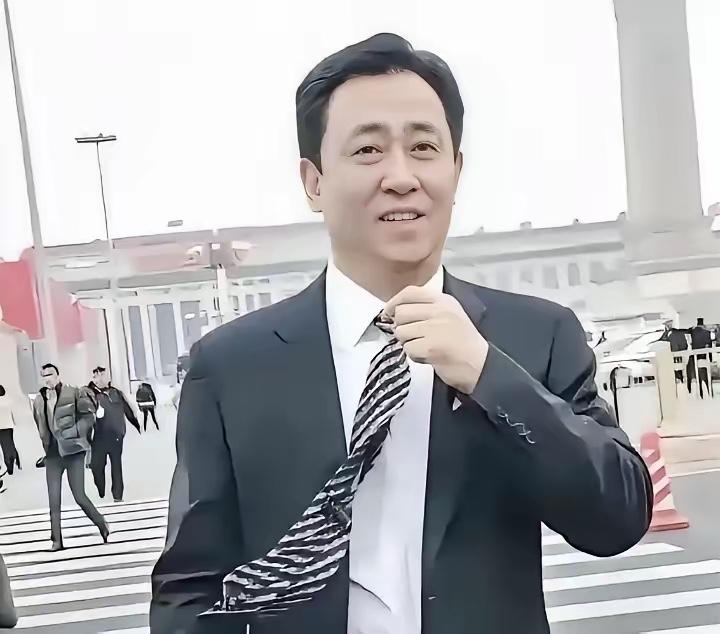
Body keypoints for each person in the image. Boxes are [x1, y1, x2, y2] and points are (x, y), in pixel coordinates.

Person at [150, 33, 653, 634]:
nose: (401, 176)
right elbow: (191, 587)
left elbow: (617, 519)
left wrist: (490, 376)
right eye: (368, 150)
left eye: (423, 148)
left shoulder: (536, 337)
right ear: (313, 182)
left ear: (456, 170)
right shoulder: (232, 366)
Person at [32, 364, 109, 551]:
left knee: (79, 496)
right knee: (53, 500)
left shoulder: (74, 392)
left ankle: (101, 523)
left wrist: (73, 433)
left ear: (58, 375)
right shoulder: (39, 400)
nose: (47, 378)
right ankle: (56, 540)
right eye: (44, 376)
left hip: (73, 451)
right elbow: (40, 423)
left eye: (50, 374)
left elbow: (88, 418)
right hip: (52, 455)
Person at [88, 367, 141, 503]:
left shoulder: (116, 393)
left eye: (104, 375)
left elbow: (128, 409)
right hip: (98, 437)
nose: (102, 378)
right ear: (94, 378)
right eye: (98, 376)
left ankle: (118, 496)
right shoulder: (89, 394)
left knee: (116, 466)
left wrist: (136, 424)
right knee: (97, 466)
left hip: (116, 436)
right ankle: (100, 488)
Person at [0, 386, 21, 475]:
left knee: (5, 447)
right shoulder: (8, 400)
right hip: (8, 426)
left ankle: (9, 464)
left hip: (3, 427)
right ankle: (11, 461)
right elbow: (13, 413)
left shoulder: (7, 400)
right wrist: (15, 423)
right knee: (8, 445)